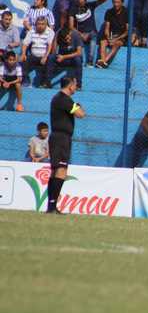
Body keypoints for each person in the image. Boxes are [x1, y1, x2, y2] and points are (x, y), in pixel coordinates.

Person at [47, 77, 85, 213]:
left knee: (55, 171)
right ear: (70, 85)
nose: (76, 87)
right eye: (75, 84)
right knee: (61, 170)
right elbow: (81, 114)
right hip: (61, 138)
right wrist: (79, 106)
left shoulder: (58, 98)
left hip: (57, 137)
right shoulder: (65, 99)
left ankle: (51, 206)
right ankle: (52, 206)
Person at [68, 0, 105, 66]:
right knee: (74, 36)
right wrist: (81, 34)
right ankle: (78, 59)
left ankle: (90, 61)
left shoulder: (90, 5)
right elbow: (71, 26)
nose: (83, 0)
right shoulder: (73, 9)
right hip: (80, 33)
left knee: (93, 35)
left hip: (91, 32)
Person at [21, 17, 55, 88]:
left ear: (46, 25)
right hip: (34, 56)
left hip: (44, 55)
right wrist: (23, 54)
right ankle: (25, 80)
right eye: (38, 24)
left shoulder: (50, 32)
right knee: (24, 59)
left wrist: (45, 57)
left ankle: (46, 82)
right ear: (36, 24)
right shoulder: (32, 31)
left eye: (43, 24)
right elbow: (25, 43)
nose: (40, 26)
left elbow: (50, 45)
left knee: (50, 58)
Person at [96, 0, 128, 68]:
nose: (116, 4)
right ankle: (102, 62)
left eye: (118, 2)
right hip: (111, 35)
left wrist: (116, 39)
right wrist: (108, 38)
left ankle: (104, 61)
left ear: (122, 3)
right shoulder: (109, 12)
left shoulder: (126, 12)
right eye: (114, 2)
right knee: (102, 42)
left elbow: (127, 31)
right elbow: (107, 28)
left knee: (117, 44)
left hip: (121, 36)